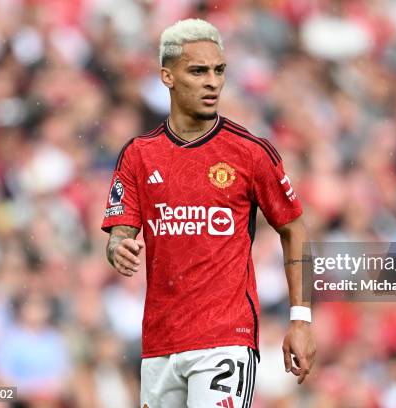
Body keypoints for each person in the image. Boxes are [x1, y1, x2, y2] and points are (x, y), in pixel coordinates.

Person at [101, 18, 315, 408]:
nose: (212, 82)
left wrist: (300, 319)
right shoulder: (138, 155)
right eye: (198, 71)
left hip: (225, 339)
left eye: (219, 71)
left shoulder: (250, 153)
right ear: (167, 76)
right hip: (160, 342)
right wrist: (119, 248)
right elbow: (119, 234)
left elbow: (294, 228)